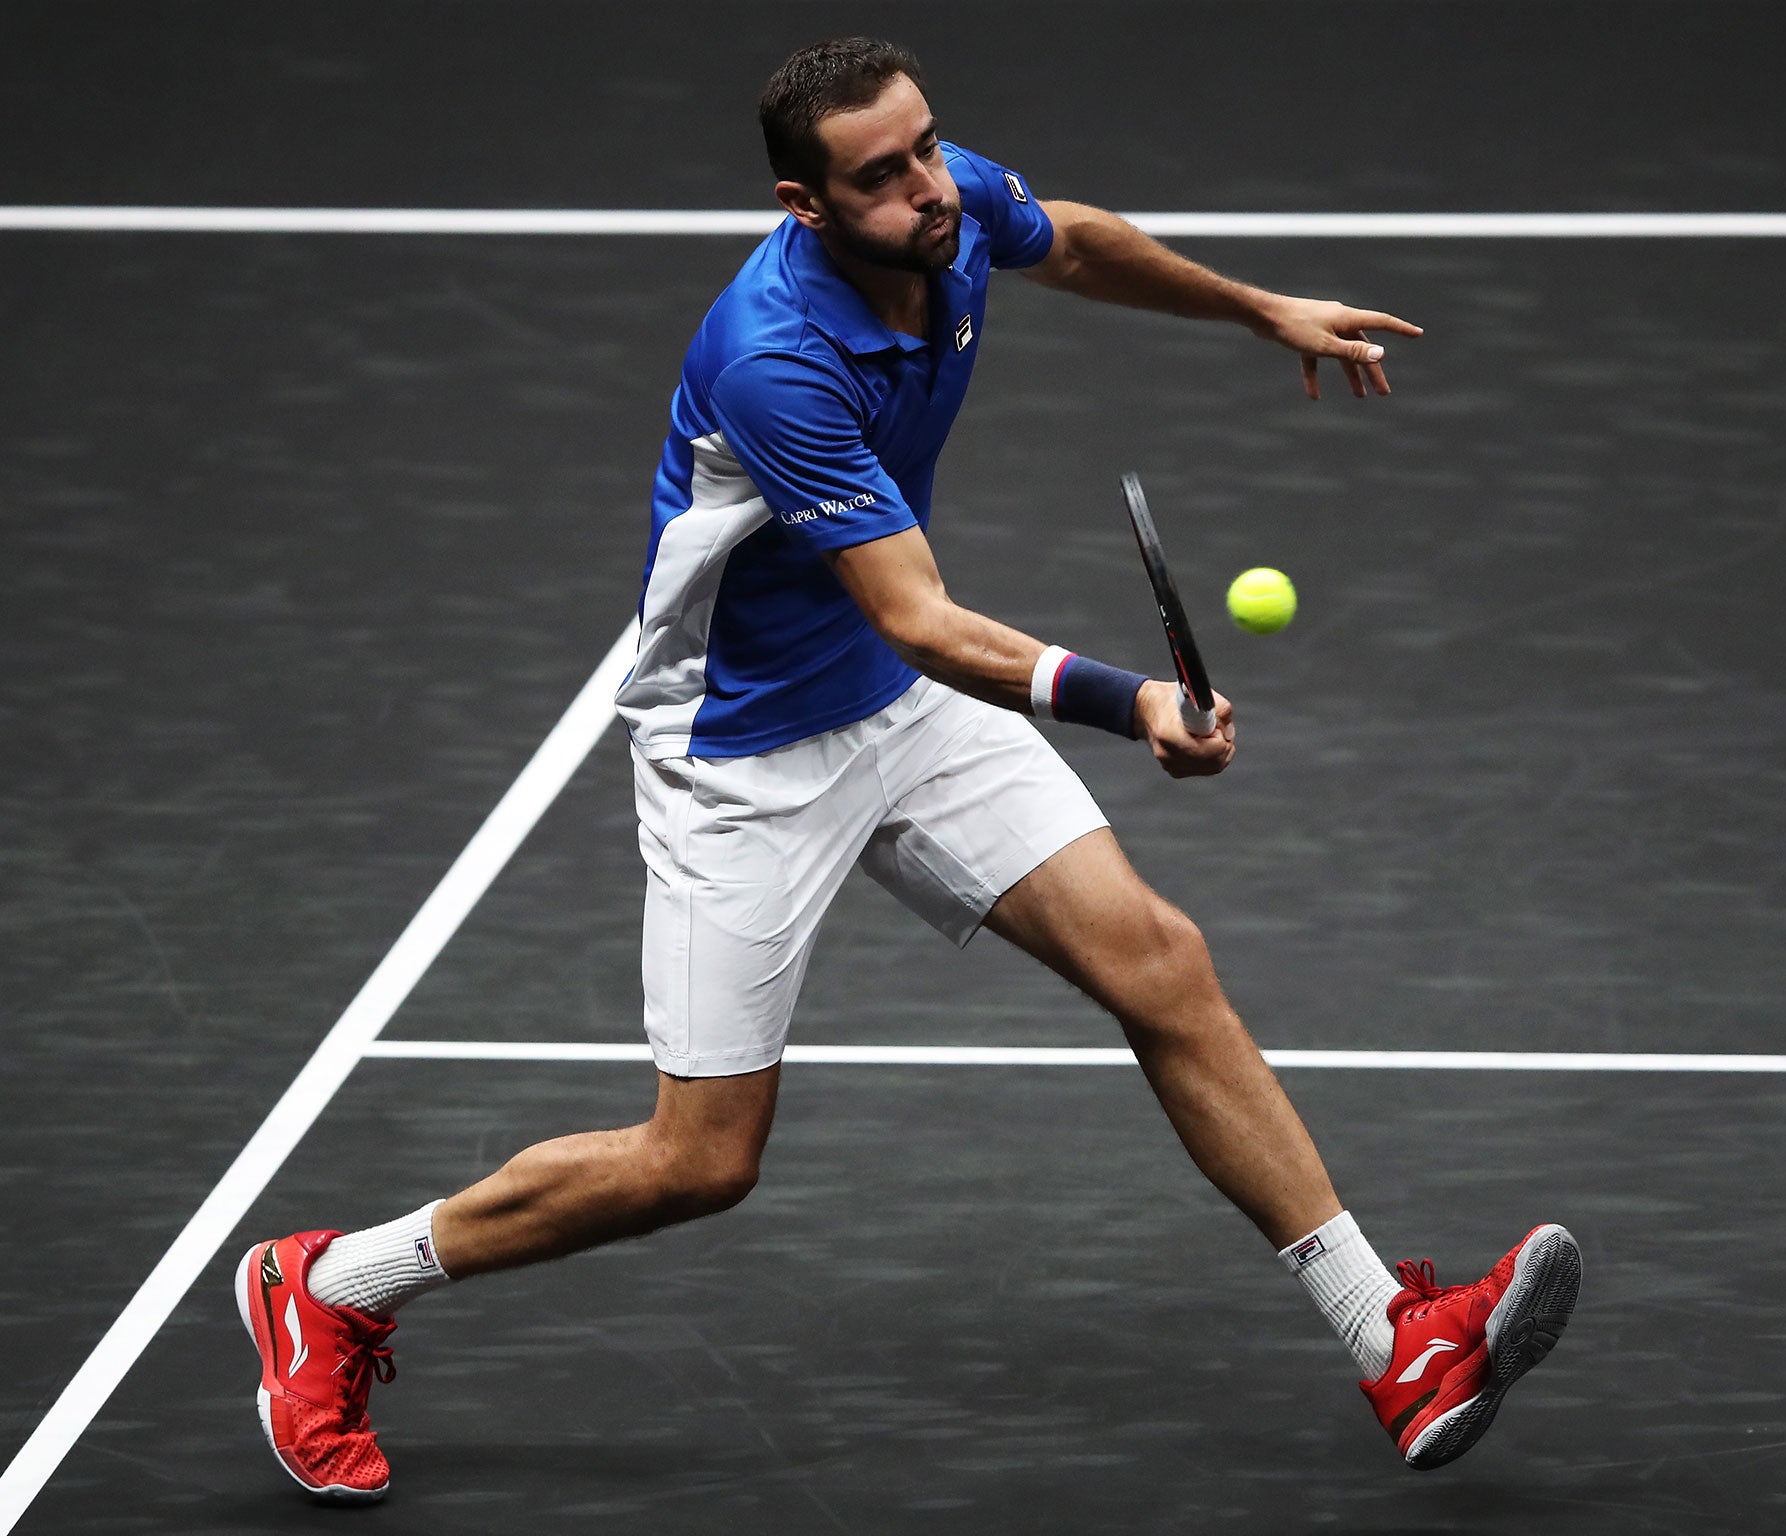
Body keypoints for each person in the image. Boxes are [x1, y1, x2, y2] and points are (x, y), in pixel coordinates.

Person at [235, 36, 1579, 1503]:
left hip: (894, 702)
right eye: (883, 176)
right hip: (744, 751)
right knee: (703, 1159)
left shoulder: (945, 206)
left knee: (1161, 967)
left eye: (930, 148)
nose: (930, 188)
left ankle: (1393, 1337)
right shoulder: (775, 355)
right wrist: (1134, 705)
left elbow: (1065, 238)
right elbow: (920, 616)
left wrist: (1263, 312)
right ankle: (334, 1282)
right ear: (803, 205)